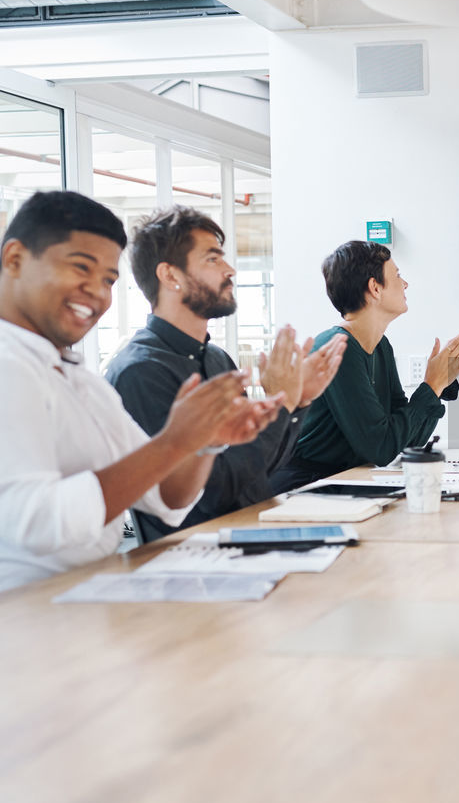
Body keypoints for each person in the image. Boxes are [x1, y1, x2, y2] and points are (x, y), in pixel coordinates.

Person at [0, 191, 281, 593]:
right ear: (15, 260)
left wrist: (204, 444)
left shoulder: (80, 379)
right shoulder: (8, 364)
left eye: (108, 280)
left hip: (93, 593)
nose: (97, 293)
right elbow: (37, 522)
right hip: (28, 613)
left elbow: (167, 498)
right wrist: (174, 442)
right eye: (81, 268)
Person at [105, 206, 346, 543]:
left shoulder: (217, 359)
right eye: (212, 259)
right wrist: (285, 403)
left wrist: (297, 401)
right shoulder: (140, 371)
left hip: (251, 536)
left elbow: (259, 471)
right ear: (170, 276)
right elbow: (213, 494)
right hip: (192, 559)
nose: (230, 269)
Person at [269, 240, 459, 492]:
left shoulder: (380, 346)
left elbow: (407, 440)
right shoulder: (338, 348)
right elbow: (381, 448)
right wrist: (431, 385)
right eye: (397, 275)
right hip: (307, 488)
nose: (405, 284)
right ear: (375, 288)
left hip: (346, 482)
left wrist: (440, 383)